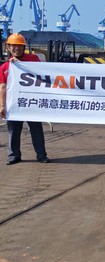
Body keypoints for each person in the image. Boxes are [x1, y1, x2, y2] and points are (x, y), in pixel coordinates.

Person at [0, 33, 50, 165]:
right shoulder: (5, 67)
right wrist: (2, 106)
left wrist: (20, 65)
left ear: (24, 47)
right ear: (8, 47)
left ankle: (41, 155)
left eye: (19, 46)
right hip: (14, 104)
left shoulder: (33, 59)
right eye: (13, 46)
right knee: (13, 131)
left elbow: (39, 73)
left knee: (36, 129)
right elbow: (3, 87)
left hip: (31, 103)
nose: (16, 48)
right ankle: (14, 156)